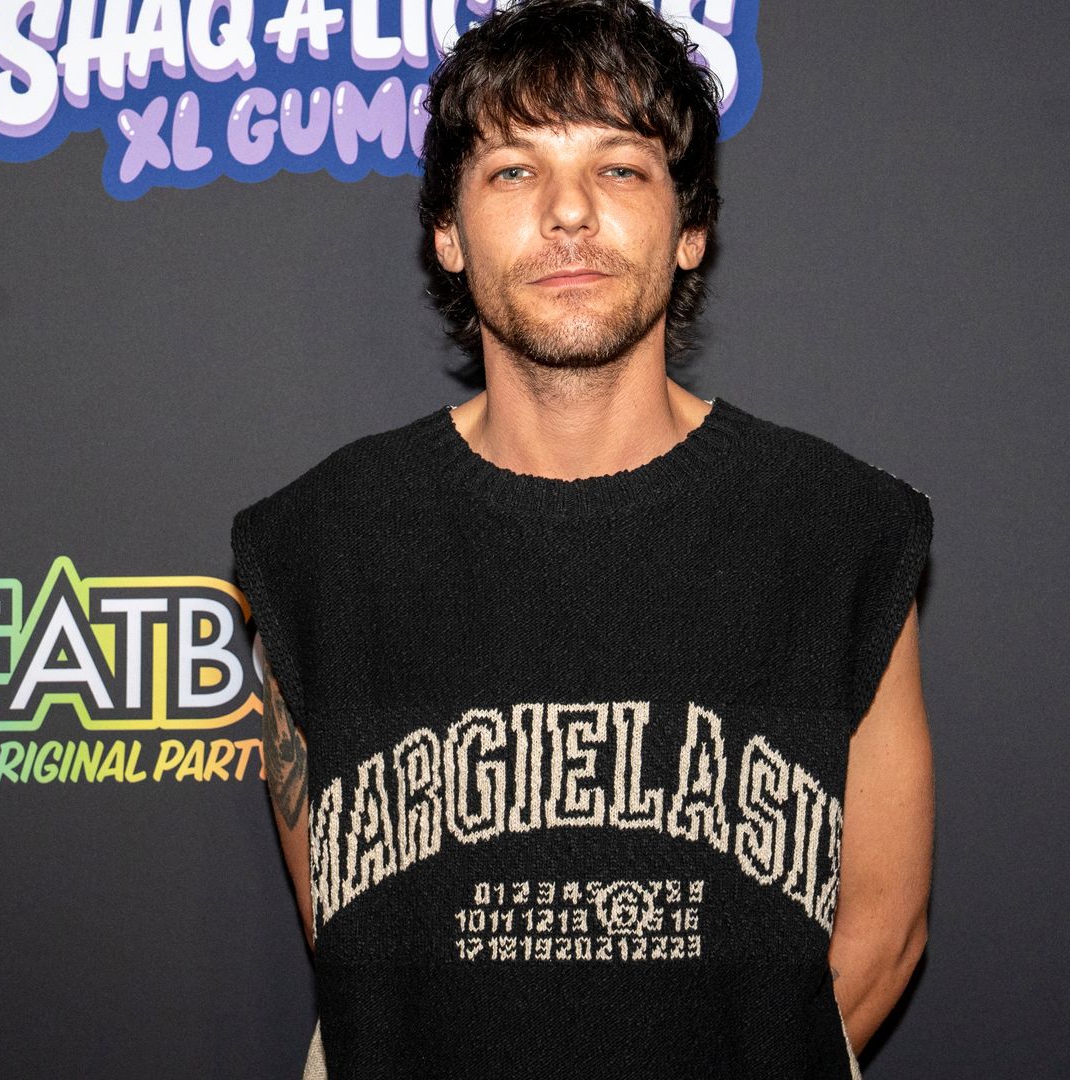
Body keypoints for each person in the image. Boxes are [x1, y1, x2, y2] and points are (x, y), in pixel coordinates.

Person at [231, 1, 933, 1076]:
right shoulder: (315, 543)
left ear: (689, 227)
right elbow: (357, 938)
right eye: (514, 170)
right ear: (449, 235)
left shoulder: (838, 529)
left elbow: (880, 936)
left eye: (620, 169)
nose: (568, 213)